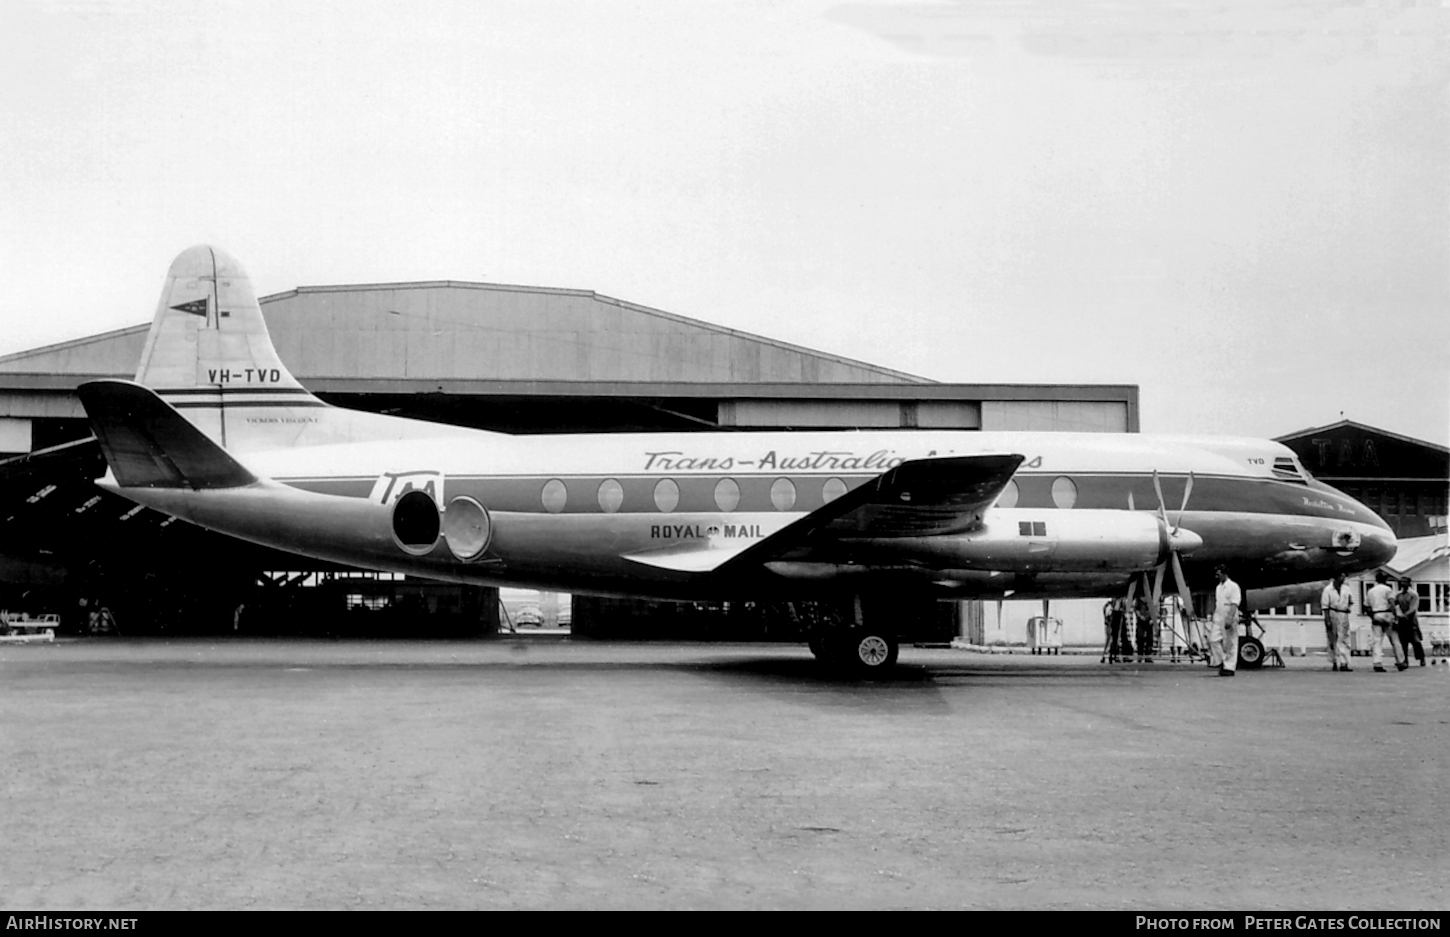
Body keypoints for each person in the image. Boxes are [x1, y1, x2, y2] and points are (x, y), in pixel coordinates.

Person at [1364, 572, 1404, 672]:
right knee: (1394, 639)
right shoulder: (1388, 590)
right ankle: (1400, 661)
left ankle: (1377, 662)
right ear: (1385, 579)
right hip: (1387, 614)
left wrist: (1372, 617)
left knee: (1377, 640)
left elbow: (1366, 606)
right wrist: (1395, 617)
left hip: (1376, 614)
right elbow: (1391, 603)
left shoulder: (1371, 591)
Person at [1321, 573, 1354, 672]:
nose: (1343, 579)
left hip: (1343, 613)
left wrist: (1348, 608)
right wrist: (1327, 620)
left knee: (1344, 638)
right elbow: (1325, 606)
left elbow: (1351, 601)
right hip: (1333, 613)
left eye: (1344, 577)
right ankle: (1335, 661)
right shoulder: (1328, 590)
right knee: (1333, 638)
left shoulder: (1346, 589)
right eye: (1341, 576)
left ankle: (1344, 662)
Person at [1211, 566, 1241, 676]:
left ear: (1224, 574)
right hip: (1219, 616)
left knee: (1231, 642)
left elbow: (1235, 603)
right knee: (1213, 640)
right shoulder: (1218, 587)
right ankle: (1221, 661)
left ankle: (1229, 667)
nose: (1217, 576)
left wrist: (1230, 617)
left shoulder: (1233, 587)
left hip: (1229, 614)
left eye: (1219, 574)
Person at [1394, 577, 1426, 667]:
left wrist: (1405, 615)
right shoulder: (1398, 594)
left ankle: (1421, 658)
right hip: (1402, 620)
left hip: (1411, 619)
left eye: (1404, 582)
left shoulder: (1413, 594)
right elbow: (1395, 604)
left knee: (1416, 640)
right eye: (1401, 582)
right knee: (1403, 641)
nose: (1402, 583)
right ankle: (1405, 660)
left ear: (1409, 583)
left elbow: (1413, 608)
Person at [1133, 593, 1154, 662]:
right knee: (1140, 638)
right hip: (1141, 620)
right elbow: (1136, 609)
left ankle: (1148, 656)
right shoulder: (1139, 599)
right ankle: (1140, 656)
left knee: (1149, 638)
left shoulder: (1152, 598)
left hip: (1149, 620)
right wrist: (1140, 616)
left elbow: (1154, 608)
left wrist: (1152, 618)